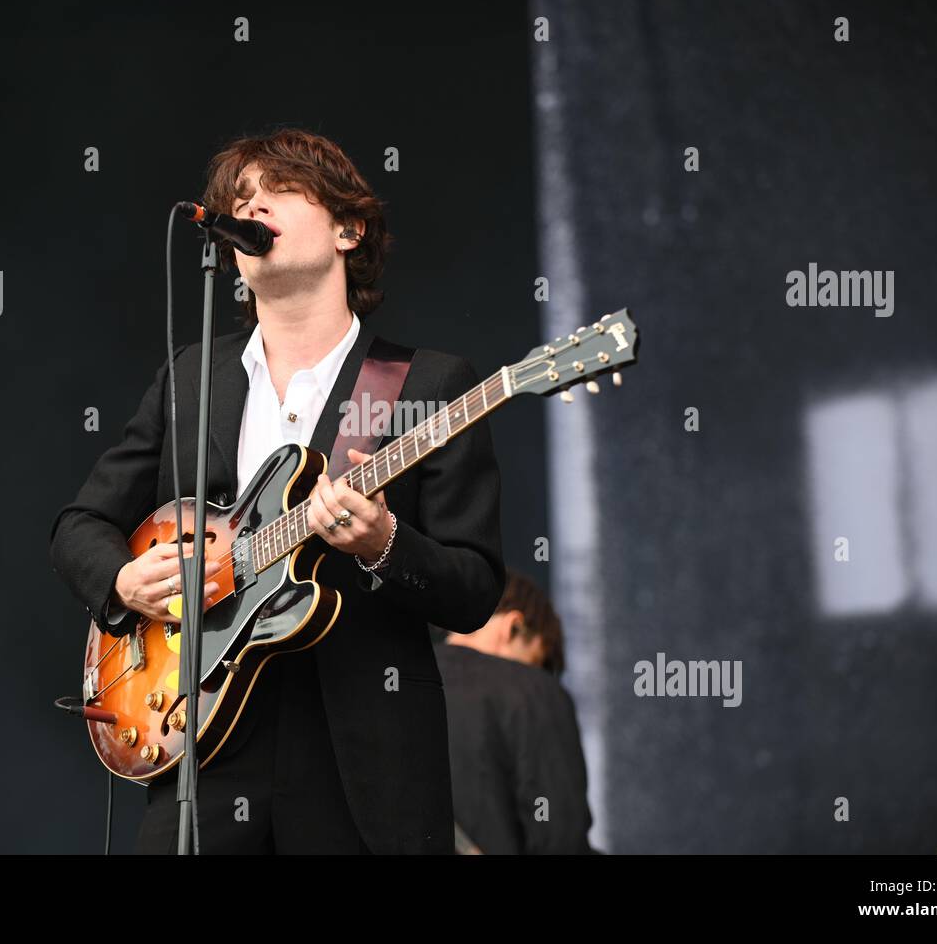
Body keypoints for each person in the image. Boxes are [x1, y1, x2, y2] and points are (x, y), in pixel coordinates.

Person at [49, 127, 505, 854]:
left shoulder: (423, 387)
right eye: (237, 198)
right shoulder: (192, 378)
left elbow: (475, 586)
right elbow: (81, 523)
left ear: (349, 229)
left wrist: (386, 546)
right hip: (200, 742)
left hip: (362, 763)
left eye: (276, 188)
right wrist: (125, 580)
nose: (248, 203)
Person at [433, 569, 598, 853]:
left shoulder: (397, 679)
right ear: (513, 626)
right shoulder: (532, 690)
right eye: (534, 661)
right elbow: (560, 836)